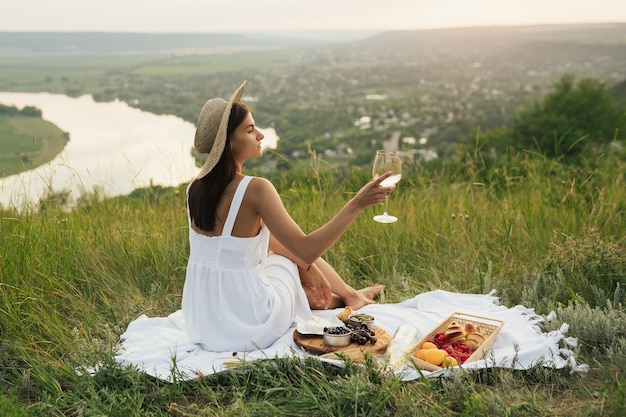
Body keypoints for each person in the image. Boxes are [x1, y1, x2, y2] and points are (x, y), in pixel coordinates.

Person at [182, 81, 393, 352]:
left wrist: (310, 266)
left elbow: (242, 245)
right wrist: (357, 204)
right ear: (230, 143)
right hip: (249, 325)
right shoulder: (256, 189)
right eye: (250, 130)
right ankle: (346, 299)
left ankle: (351, 296)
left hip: (204, 322)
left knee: (285, 256)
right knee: (286, 261)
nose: (260, 135)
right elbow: (305, 249)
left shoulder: (194, 188)